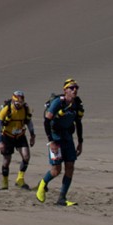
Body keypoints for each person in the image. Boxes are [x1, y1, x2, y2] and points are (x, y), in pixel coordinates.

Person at [36, 78, 84, 206]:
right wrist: (50, 141)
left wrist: (80, 142)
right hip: (56, 138)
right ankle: (42, 184)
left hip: (68, 138)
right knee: (56, 170)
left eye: (76, 88)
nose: (74, 90)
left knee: (70, 167)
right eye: (71, 88)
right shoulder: (58, 102)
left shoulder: (77, 104)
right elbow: (47, 121)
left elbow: (78, 123)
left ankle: (62, 198)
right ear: (65, 90)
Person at [0, 90, 36, 190]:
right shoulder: (7, 109)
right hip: (7, 136)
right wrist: (0, 141)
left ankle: (20, 179)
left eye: (21, 103)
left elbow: (29, 122)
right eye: (17, 103)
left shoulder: (25, 109)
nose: (19, 105)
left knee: (26, 156)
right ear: (13, 101)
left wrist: (32, 135)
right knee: (6, 160)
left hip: (20, 135)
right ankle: (5, 182)